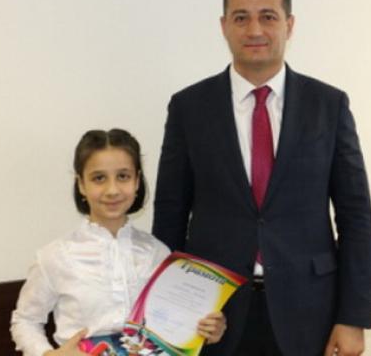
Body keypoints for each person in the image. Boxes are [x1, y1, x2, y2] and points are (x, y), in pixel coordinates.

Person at [152, 0, 371, 356]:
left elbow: (356, 215)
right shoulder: (189, 107)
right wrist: (166, 315)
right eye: (241, 17)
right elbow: (170, 214)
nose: (254, 29)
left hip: (310, 312)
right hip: (212, 317)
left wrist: (353, 317)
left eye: (268, 16)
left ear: (289, 24)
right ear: (224, 26)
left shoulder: (329, 105)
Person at [11, 129, 226, 356]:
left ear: (137, 181)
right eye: (99, 178)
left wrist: (207, 329)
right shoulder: (55, 256)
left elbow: (175, 324)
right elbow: (25, 320)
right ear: (81, 184)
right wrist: (48, 354)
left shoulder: (157, 253)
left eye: (123, 176)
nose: (112, 190)